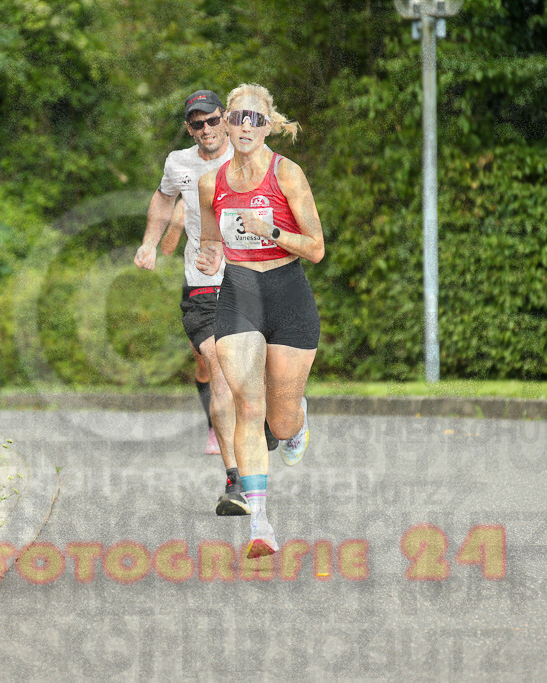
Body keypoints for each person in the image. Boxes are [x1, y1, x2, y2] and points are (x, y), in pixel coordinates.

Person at [196, 83, 325, 559]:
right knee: (249, 407)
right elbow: (212, 240)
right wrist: (210, 258)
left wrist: (269, 228)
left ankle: (299, 420)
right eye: (237, 117)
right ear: (226, 124)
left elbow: (316, 248)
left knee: (281, 420)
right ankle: (261, 527)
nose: (245, 125)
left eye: (255, 118)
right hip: (240, 294)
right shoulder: (213, 182)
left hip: (288, 292)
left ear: (267, 125)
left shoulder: (287, 174)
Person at [134, 89, 249, 516]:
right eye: (197, 124)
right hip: (202, 280)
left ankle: (280, 418)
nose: (206, 130)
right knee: (214, 362)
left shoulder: (248, 155)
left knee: (256, 373)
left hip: (251, 277)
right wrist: (149, 244)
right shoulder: (177, 163)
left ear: (226, 119)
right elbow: (165, 198)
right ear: (189, 128)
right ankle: (234, 479)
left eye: (213, 121)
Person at [160, 199, 221, 456]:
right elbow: (166, 248)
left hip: (236, 278)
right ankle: (214, 428)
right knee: (204, 362)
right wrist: (177, 224)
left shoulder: (235, 187)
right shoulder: (186, 197)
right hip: (199, 283)